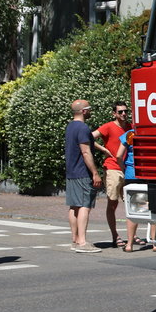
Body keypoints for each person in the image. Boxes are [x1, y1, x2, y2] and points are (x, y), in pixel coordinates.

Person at [65, 99, 103, 253]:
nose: (91, 111)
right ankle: (82, 242)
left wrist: (102, 149)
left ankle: (75, 239)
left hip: (71, 172)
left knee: (74, 206)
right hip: (82, 172)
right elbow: (86, 152)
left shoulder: (70, 126)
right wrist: (95, 173)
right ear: (84, 111)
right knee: (84, 206)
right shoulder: (83, 127)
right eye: (89, 109)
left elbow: (84, 144)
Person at [93, 102, 131, 247]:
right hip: (113, 167)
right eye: (120, 112)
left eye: (125, 111)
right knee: (113, 202)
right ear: (114, 113)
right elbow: (89, 137)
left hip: (128, 168)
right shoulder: (108, 126)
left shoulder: (130, 127)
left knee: (131, 203)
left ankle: (131, 236)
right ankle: (115, 235)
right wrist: (103, 149)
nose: (124, 114)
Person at [117, 127, 156, 251]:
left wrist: (124, 169)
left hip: (132, 173)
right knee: (154, 207)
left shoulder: (130, 133)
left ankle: (129, 244)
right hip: (151, 172)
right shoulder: (153, 132)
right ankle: (155, 243)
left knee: (133, 209)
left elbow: (119, 155)